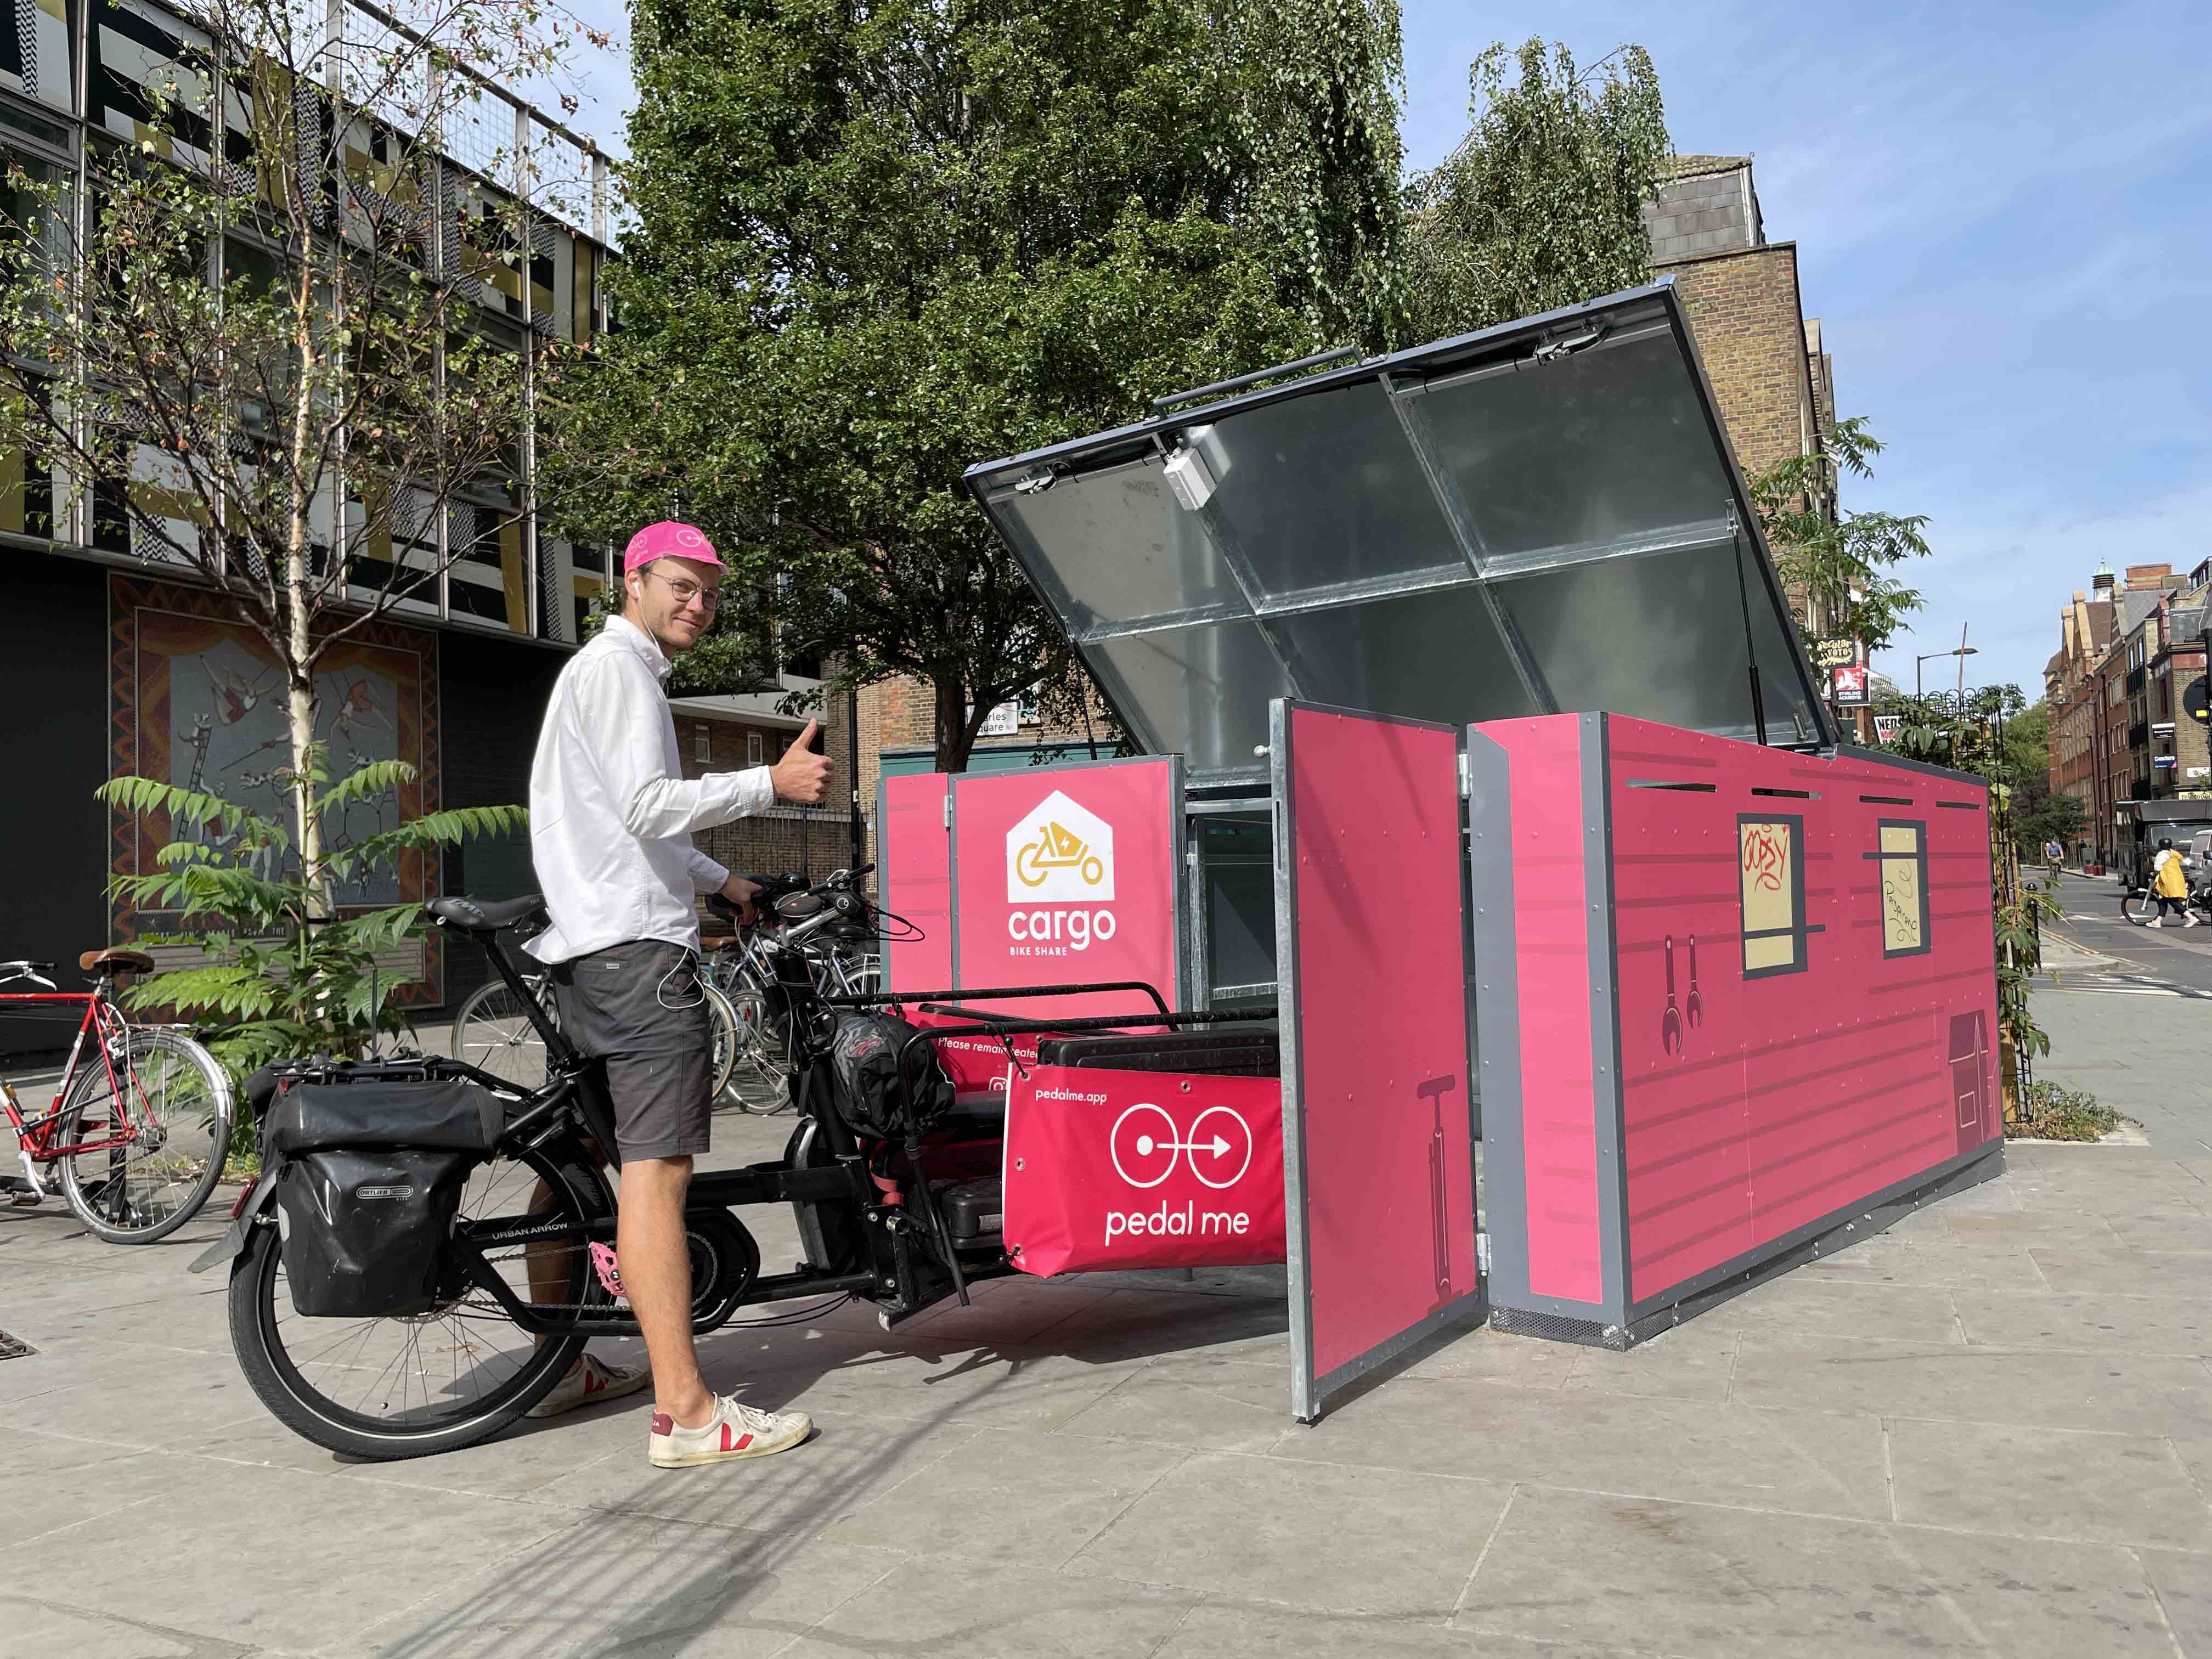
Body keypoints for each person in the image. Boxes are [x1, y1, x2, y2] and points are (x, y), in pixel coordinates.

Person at [523, 520, 832, 1468]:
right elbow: (646, 803)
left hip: (589, 950)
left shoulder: (612, 673)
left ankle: (558, 1361)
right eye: (680, 584)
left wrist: (726, 883)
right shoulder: (620, 670)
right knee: (658, 1172)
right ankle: (688, 1411)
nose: (696, 601)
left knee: (570, 1156)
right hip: (635, 958)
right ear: (633, 581)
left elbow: (643, 825)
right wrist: (767, 781)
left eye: (708, 589)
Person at [2149, 836, 2195, 928]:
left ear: (2160, 846)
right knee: (2163, 900)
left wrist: (2152, 874)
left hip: (2168, 881)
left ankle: (2191, 917)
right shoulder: (2173, 853)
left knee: (2173, 901)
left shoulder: (2162, 855)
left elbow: (2157, 869)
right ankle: (2158, 921)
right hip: (2177, 879)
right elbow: (2188, 862)